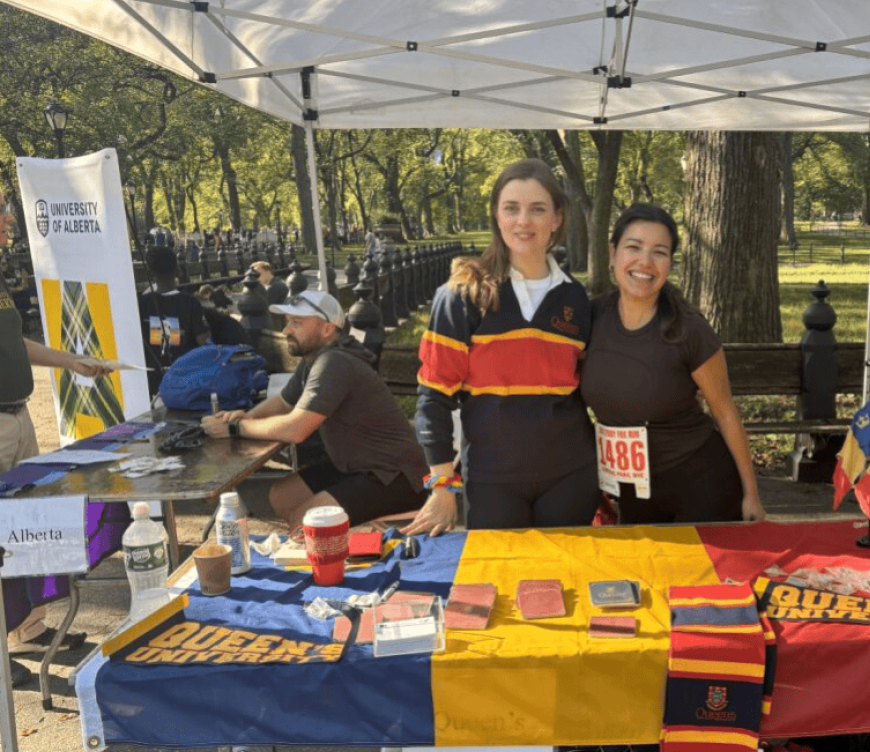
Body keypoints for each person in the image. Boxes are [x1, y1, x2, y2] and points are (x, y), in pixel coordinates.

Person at [406, 158, 596, 534]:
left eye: (537, 209)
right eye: (511, 208)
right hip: (493, 480)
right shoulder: (461, 295)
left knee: (565, 584)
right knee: (500, 589)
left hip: (571, 475)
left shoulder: (577, 298)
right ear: (496, 214)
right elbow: (433, 398)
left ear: (556, 218)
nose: (523, 221)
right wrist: (442, 485)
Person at [581, 203, 765, 524]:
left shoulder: (689, 330)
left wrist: (752, 495)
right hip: (631, 488)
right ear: (612, 254)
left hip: (701, 482)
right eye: (634, 247)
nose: (645, 262)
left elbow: (725, 412)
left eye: (659, 252)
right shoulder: (591, 318)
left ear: (669, 264)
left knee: (700, 575)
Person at [0, 190, 111, 686]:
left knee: (23, 526)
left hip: (18, 418)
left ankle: (28, 629)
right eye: (1, 217)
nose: (8, 224)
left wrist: (70, 361)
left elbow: (11, 344)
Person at [201, 290, 429, 529]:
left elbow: (296, 429)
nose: (286, 330)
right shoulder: (316, 359)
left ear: (327, 328)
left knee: (307, 520)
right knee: (282, 495)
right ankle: (316, 550)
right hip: (357, 466)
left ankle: (315, 552)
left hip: (397, 476)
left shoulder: (335, 362)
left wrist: (235, 428)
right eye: (287, 322)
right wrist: (248, 416)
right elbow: (283, 402)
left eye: (297, 323)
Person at [138, 246, 210, 398]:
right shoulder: (189, 303)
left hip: (150, 384)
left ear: (150, 274)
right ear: (177, 271)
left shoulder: (141, 303)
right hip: (186, 382)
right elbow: (205, 343)